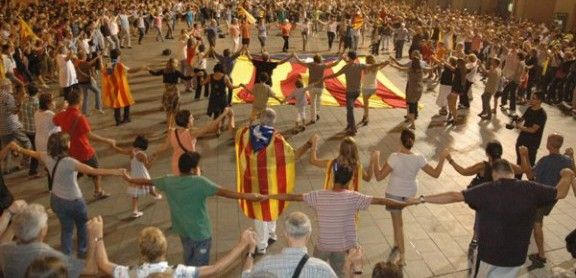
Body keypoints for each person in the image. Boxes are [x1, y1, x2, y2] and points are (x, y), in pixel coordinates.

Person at [420, 160, 575, 277]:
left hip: (489, 256)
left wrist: (421, 199)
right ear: (511, 172)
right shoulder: (531, 189)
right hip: (516, 257)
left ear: (494, 174)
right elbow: (560, 192)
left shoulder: (488, 190)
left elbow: (454, 196)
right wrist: (567, 175)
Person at [123, 151, 266, 266]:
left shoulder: (168, 181)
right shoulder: (200, 183)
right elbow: (229, 193)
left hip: (182, 230)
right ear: (192, 169)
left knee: (188, 257)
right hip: (200, 233)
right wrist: (251, 196)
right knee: (201, 268)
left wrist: (129, 179)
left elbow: (147, 181)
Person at [269, 165, 410, 276]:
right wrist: (402, 203)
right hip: (343, 247)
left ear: (332, 177)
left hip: (324, 245)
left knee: (313, 269)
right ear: (349, 181)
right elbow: (380, 200)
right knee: (339, 272)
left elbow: (293, 197)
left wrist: (269, 196)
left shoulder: (319, 195)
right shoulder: (354, 197)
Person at [10, 133, 125, 258]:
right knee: (82, 226)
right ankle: (82, 250)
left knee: (66, 229)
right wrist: (116, 171)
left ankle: (66, 256)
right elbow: (93, 171)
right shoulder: (69, 162)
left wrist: (19, 148)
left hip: (57, 200)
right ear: (65, 145)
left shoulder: (46, 156)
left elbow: (32, 153)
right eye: (68, 141)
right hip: (74, 201)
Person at [235, 108, 314, 255]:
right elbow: (293, 156)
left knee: (260, 215)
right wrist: (309, 144)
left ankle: (262, 244)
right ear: (274, 121)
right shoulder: (277, 140)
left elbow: (235, 132)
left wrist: (250, 120)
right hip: (271, 182)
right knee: (272, 207)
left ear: (260, 118)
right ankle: (270, 235)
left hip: (253, 182)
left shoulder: (246, 133)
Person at [371, 129, 449, 266]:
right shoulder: (419, 158)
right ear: (412, 143)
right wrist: (442, 158)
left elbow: (378, 176)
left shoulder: (394, 157)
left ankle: (402, 256)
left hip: (394, 195)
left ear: (401, 141)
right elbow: (436, 174)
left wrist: (376, 158)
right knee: (397, 219)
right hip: (410, 195)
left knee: (398, 223)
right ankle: (396, 243)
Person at [90, 215, 259, 277]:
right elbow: (215, 269)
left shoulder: (130, 274)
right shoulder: (179, 273)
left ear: (141, 252)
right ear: (165, 250)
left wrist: (98, 235)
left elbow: (103, 264)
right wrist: (242, 244)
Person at [519, 134, 575, 269]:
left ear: (549, 144)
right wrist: (572, 156)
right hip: (553, 198)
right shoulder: (567, 160)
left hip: (540, 197)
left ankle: (541, 256)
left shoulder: (545, 161)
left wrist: (524, 155)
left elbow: (529, 175)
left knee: (536, 223)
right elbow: (572, 172)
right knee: (534, 218)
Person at [0, 204, 98, 277]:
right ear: (42, 231)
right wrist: (94, 237)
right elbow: (91, 269)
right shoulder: (48, 256)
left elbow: (3, 242)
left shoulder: (6, 249)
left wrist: (14, 223)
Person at [53, 89, 116, 198]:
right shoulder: (80, 117)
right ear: (80, 101)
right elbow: (89, 135)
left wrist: (63, 109)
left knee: (75, 173)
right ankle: (98, 191)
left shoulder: (62, 115)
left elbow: (55, 120)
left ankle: (66, 192)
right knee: (96, 171)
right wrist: (107, 140)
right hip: (84, 150)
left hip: (70, 151)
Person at [241, 212, 337, 277]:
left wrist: (251, 252)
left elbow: (245, 276)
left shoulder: (265, 265)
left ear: (285, 234)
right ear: (308, 234)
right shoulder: (323, 269)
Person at [320, 51, 388, 136]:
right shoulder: (359, 66)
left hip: (350, 92)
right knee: (349, 109)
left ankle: (352, 128)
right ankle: (349, 124)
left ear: (349, 57)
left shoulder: (346, 67)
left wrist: (325, 77)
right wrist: (381, 63)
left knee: (350, 110)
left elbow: (335, 75)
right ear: (355, 58)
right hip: (357, 91)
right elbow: (372, 66)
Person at [151, 109, 232, 175]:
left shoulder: (171, 132)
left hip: (176, 165)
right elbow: (210, 127)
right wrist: (224, 113)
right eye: (191, 118)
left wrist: (154, 153)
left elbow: (164, 147)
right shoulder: (191, 133)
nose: (193, 119)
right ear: (187, 122)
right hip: (189, 167)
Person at [112, 135, 162, 218]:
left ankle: (135, 210)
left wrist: (113, 145)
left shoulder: (132, 151)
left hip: (134, 174)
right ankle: (155, 195)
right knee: (149, 185)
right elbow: (148, 166)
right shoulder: (142, 154)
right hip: (142, 173)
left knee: (135, 193)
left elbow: (120, 151)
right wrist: (154, 158)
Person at [101, 49, 147, 126]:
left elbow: (108, 74)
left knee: (117, 105)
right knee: (127, 102)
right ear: (118, 56)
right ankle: (126, 118)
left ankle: (118, 121)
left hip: (113, 87)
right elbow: (130, 71)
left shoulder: (109, 64)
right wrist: (141, 68)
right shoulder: (120, 65)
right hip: (121, 87)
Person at [389, 51, 434, 129]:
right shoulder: (422, 67)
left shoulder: (410, 69)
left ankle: (412, 122)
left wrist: (392, 64)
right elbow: (430, 68)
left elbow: (400, 67)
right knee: (415, 103)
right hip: (419, 88)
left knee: (411, 104)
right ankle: (414, 116)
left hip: (411, 88)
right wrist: (436, 63)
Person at [293, 54, 341, 124]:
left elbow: (300, 62)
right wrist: (340, 58)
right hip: (320, 86)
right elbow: (334, 64)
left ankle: (313, 119)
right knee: (318, 100)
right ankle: (317, 113)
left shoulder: (310, 65)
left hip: (311, 86)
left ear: (314, 60)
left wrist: (295, 56)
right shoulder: (322, 66)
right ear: (320, 60)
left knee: (313, 103)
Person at [148, 58, 195, 128]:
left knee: (168, 112)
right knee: (174, 112)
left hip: (167, 93)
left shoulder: (164, 71)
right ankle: (172, 127)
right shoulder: (176, 72)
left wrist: (148, 69)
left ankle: (168, 128)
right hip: (175, 93)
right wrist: (193, 75)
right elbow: (186, 78)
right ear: (175, 65)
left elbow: (155, 73)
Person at [0, 79, 32, 171]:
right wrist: (21, 101)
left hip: (2, 127)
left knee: (7, 148)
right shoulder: (7, 96)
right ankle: (25, 162)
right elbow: (15, 111)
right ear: (5, 86)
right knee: (27, 143)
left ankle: (6, 168)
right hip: (12, 125)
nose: (12, 86)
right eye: (10, 85)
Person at [514, 91, 547, 179]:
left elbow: (533, 130)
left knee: (530, 165)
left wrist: (520, 127)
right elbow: (522, 119)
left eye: (534, 98)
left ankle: (531, 183)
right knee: (519, 162)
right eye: (531, 98)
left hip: (532, 143)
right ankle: (516, 182)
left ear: (539, 101)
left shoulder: (542, 114)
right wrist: (516, 119)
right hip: (522, 139)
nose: (531, 100)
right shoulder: (529, 109)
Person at [360, 55, 389, 125]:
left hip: (366, 87)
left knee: (365, 103)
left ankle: (366, 117)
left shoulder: (365, 67)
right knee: (366, 102)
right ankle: (365, 115)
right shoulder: (376, 67)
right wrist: (386, 62)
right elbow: (381, 66)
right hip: (373, 88)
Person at [19, 84, 40, 177]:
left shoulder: (24, 101)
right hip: (34, 130)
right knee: (35, 150)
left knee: (29, 147)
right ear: (36, 92)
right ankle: (33, 171)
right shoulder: (36, 103)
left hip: (25, 128)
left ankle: (24, 162)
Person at [74, 51, 103, 115]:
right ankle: (98, 107)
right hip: (88, 82)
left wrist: (96, 58)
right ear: (84, 57)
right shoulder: (85, 63)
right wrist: (98, 58)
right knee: (98, 92)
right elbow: (90, 64)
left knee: (85, 96)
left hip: (80, 82)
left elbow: (89, 63)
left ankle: (84, 112)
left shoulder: (76, 63)